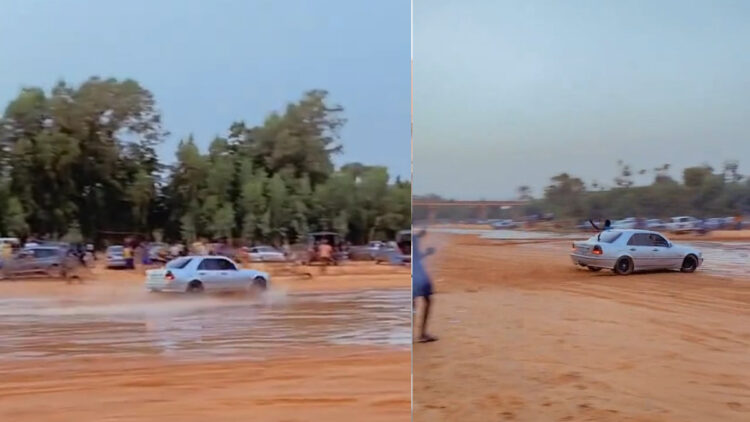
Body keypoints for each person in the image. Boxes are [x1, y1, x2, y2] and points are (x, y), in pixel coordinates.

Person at [413, 229, 437, 343]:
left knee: (413, 304)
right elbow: (416, 258)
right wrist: (427, 253)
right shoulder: (414, 240)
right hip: (419, 274)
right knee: (427, 301)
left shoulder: (412, 239)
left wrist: (427, 253)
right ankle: (422, 333)